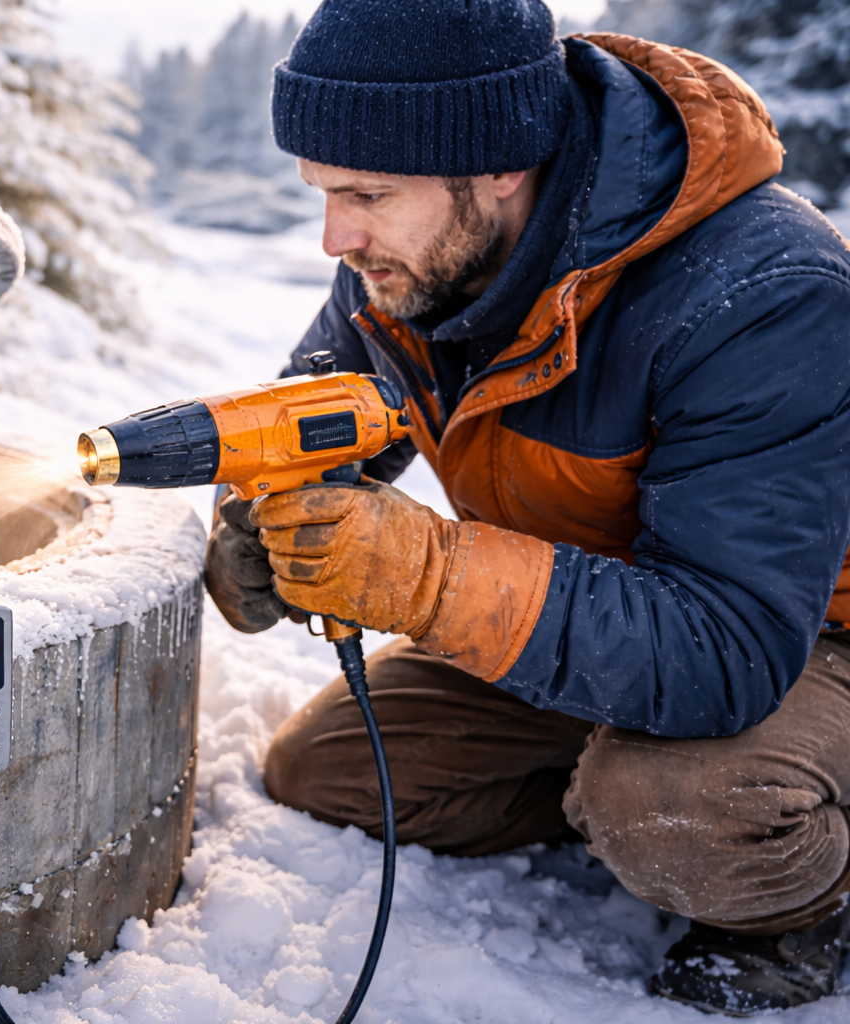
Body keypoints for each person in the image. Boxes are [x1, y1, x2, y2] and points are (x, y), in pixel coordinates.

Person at [204, 0, 850, 1013]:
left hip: (801, 637)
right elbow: (328, 414)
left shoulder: (761, 291)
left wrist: (427, 576)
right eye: (323, 193)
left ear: (501, 161)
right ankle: (619, 776)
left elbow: (732, 643)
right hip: (602, 605)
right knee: (330, 770)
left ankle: (798, 883)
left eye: (368, 194)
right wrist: (264, 523)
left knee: (668, 806)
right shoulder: (417, 263)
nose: (338, 237)